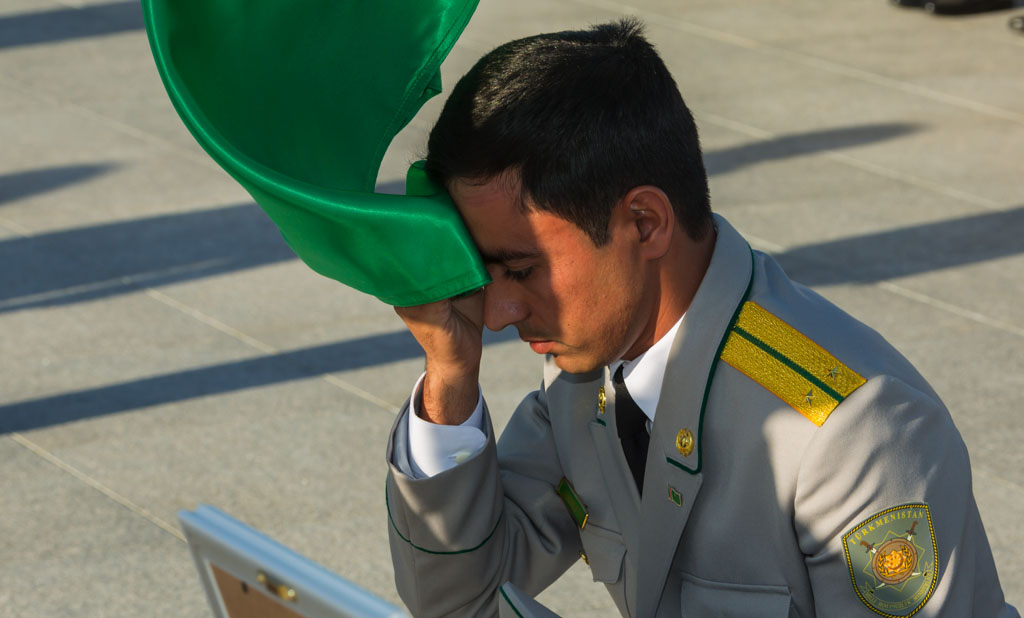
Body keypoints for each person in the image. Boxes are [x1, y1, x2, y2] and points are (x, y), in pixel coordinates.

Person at [384, 18, 1018, 618]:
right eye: (486, 274)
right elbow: (458, 599)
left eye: (522, 269)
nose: (497, 314)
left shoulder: (851, 432)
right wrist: (450, 379)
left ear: (644, 223)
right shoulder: (586, 379)